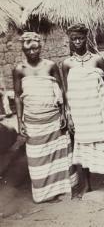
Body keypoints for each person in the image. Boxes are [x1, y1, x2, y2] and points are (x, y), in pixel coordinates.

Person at [13, 32, 78, 203]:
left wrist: (64, 113)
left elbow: (61, 90)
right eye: (28, 50)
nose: (32, 52)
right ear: (23, 50)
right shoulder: (19, 69)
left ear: (40, 47)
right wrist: (20, 121)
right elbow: (18, 96)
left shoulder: (50, 66)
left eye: (35, 48)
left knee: (58, 155)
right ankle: (44, 193)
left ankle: (62, 190)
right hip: (33, 121)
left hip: (53, 118)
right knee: (38, 157)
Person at [62, 23, 104, 198]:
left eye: (80, 38)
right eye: (74, 39)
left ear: (86, 38)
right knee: (84, 146)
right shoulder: (67, 64)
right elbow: (65, 90)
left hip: (97, 108)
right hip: (80, 112)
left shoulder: (97, 59)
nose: (77, 41)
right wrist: (69, 114)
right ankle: (88, 184)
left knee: (103, 143)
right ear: (70, 40)